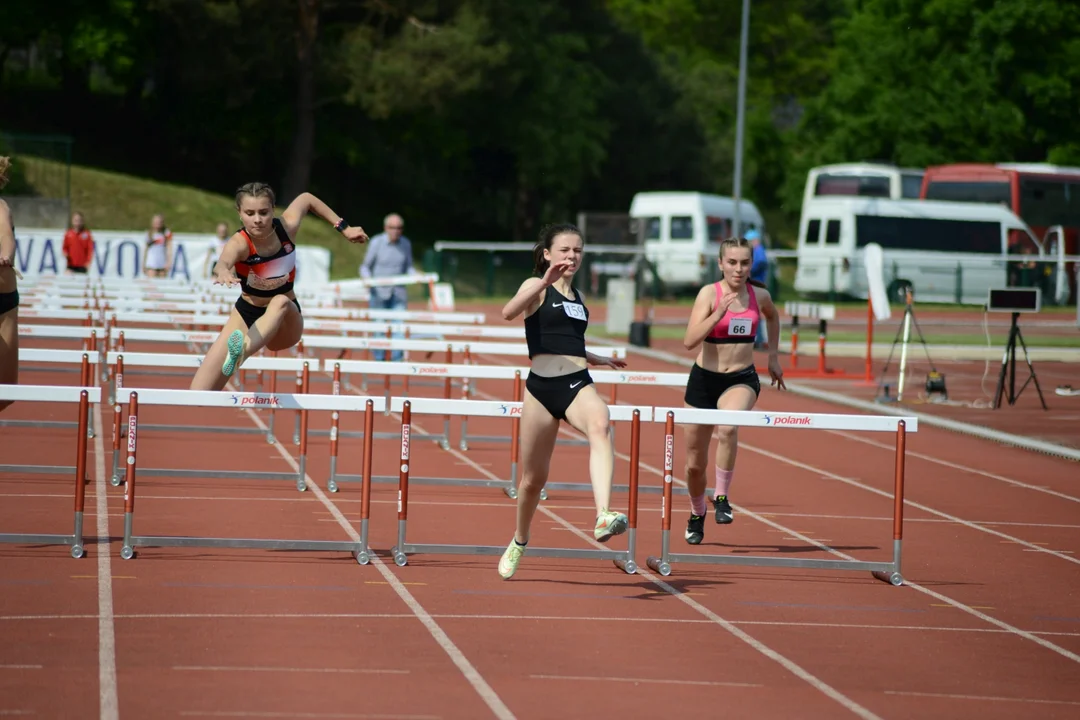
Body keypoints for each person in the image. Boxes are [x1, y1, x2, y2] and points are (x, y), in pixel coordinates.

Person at [496, 223, 630, 580]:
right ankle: (519, 539)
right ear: (547, 254)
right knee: (532, 480)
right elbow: (508, 313)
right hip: (541, 389)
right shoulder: (535, 286)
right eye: (565, 250)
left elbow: (566, 338)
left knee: (601, 423)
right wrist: (543, 281)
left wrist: (595, 357)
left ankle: (603, 514)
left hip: (576, 383)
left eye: (578, 251)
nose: (572, 256)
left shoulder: (579, 297)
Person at [189, 182, 367, 392]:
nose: (257, 219)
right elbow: (222, 263)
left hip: (285, 319)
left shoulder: (287, 227)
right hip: (247, 315)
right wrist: (224, 272)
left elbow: (307, 198)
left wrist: (345, 229)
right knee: (198, 392)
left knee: (279, 301)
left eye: (264, 212)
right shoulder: (240, 243)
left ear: (273, 209)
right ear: (239, 213)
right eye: (250, 213)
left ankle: (241, 353)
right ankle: (238, 352)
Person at [679, 236, 785, 545]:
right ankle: (697, 513)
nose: (738, 269)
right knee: (694, 464)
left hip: (740, 379)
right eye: (732, 263)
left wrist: (774, 356)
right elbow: (689, 341)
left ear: (752, 265)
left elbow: (773, 316)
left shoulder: (759, 295)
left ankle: (721, 497)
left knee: (727, 427)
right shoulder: (708, 294)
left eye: (745, 263)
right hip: (703, 381)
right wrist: (718, 313)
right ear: (721, 264)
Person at [359, 213, 414, 361]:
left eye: (399, 228)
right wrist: (368, 280)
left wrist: (417, 276)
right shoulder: (377, 242)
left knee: (399, 327)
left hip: (398, 293)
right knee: (378, 327)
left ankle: (396, 360)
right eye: (392, 227)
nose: (395, 231)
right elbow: (365, 267)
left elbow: (409, 267)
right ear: (386, 228)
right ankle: (379, 359)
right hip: (378, 293)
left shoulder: (406, 244)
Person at [0, 157, 19, 413]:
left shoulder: (1, 208)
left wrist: (6, 256)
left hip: (5, 299)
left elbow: (7, 236)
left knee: (6, 391)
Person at [143, 213, 173, 278]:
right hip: (151, 262)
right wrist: (143, 264)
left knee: (162, 283)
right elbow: (146, 249)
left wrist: (168, 262)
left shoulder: (166, 233)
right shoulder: (149, 233)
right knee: (152, 282)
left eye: (159, 222)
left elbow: (169, 248)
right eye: (155, 222)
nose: (157, 224)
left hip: (162, 261)